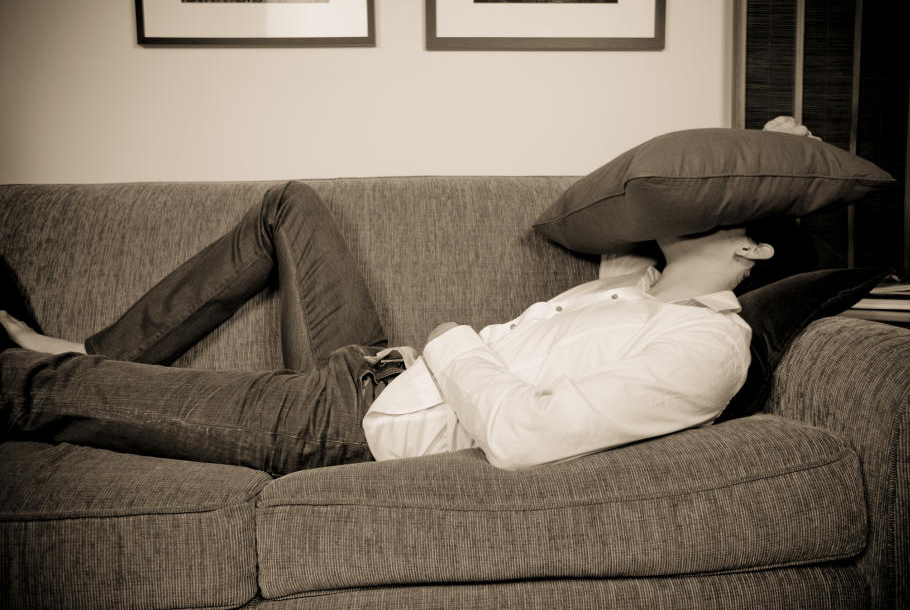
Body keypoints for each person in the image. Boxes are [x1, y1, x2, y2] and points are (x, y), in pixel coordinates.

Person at [0, 181, 776, 475]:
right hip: (374, 364)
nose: (699, 205)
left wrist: (449, 339)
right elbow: (646, 184)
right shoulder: (634, 282)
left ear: (754, 246)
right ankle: (97, 350)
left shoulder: (707, 346)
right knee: (288, 207)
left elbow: (523, 435)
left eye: (731, 208)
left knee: (38, 389)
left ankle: (66, 368)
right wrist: (779, 140)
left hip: (348, 421)